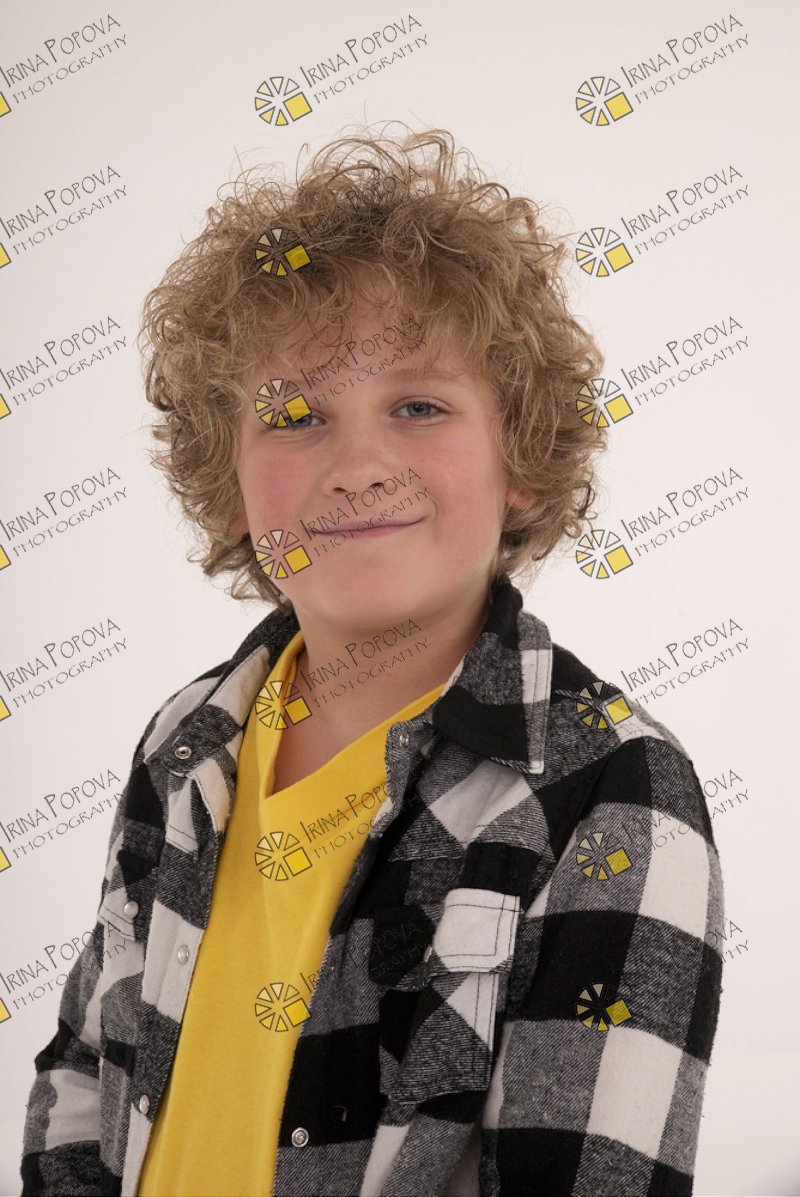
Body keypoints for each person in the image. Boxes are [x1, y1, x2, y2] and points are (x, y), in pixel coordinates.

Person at [20, 123, 724, 1197]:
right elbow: (86, 1066)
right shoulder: (186, 740)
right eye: (296, 416)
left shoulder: (612, 790)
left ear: (523, 457)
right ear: (226, 479)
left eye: (418, 406)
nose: (357, 465)